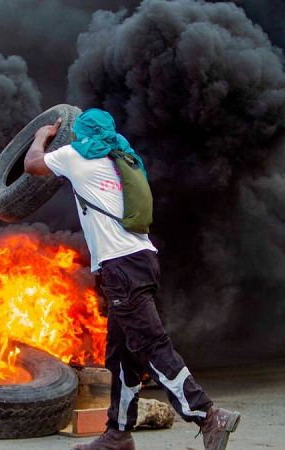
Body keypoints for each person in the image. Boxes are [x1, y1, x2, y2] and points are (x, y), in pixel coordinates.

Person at [24, 108, 241, 450]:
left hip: (120, 267)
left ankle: (208, 416)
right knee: (122, 355)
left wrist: (41, 136)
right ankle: (118, 434)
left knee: (152, 346)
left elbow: (32, 165)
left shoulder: (74, 156)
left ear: (79, 135)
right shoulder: (124, 157)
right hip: (142, 259)